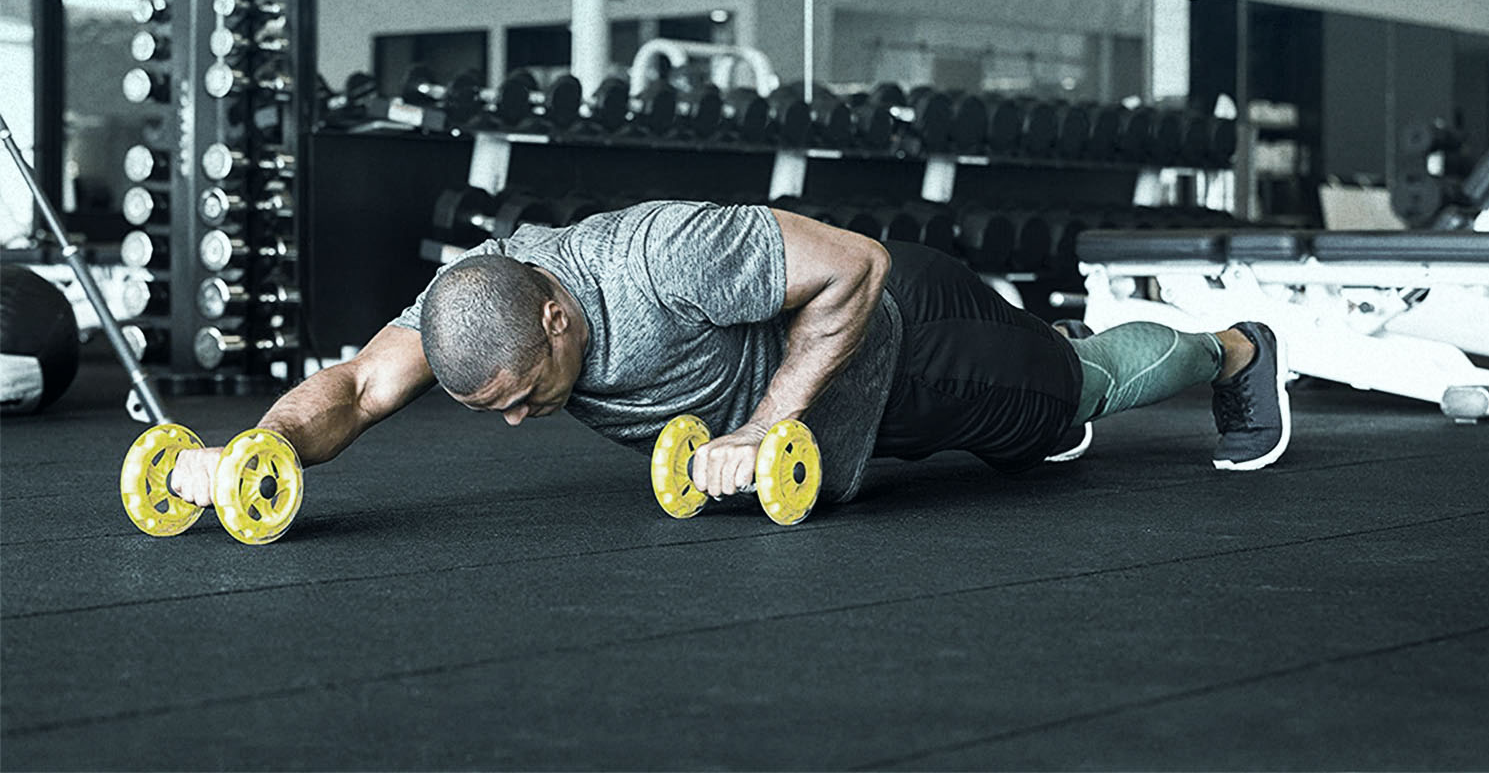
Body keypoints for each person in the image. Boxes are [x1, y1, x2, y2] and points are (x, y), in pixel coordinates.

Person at [167, 200, 1290, 508]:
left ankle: (1235, 348)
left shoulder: (663, 255)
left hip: (903, 353)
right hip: (847, 367)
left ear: (558, 318)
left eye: (523, 399)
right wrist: (258, 452)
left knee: (1073, 388)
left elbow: (852, 265)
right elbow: (360, 386)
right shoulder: (477, 299)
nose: (518, 421)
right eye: (494, 412)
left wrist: (764, 427)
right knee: (1041, 442)